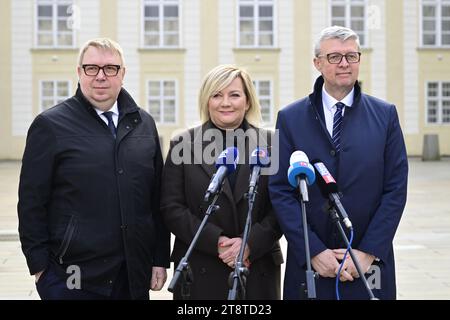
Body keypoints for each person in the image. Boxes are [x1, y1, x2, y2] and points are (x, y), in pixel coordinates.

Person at [17, 38, 170, 300]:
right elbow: (31, 203)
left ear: (123, 73)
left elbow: (156, 199)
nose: (101, 76)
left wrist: (159, 258)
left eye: (110, 68)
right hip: (71, 278)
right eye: (91, 68)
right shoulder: (50, 126)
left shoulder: (143, 124)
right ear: (79, 72)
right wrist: (41, 268)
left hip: (131, 274)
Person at [269, 26, 408, 300]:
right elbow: (280, 191)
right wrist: (314, 251)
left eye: (351, 56)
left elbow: (396, 189)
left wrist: (367, 252)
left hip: (369, 266)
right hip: (310, 266)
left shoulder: (386, 115)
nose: (344, 63)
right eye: (334, 57)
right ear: (317, 63)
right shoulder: (289, 118)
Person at [161, 64, 283, 300]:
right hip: (200, 268)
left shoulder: (271, 144)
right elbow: (171, 208)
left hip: (257, 268)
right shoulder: (182, 144)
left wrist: (249, 244)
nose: (225, 102)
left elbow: (280, 206)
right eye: (217, 95)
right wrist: (217, 242)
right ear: (207, 101)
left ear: (247, 101)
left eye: (234, 95)